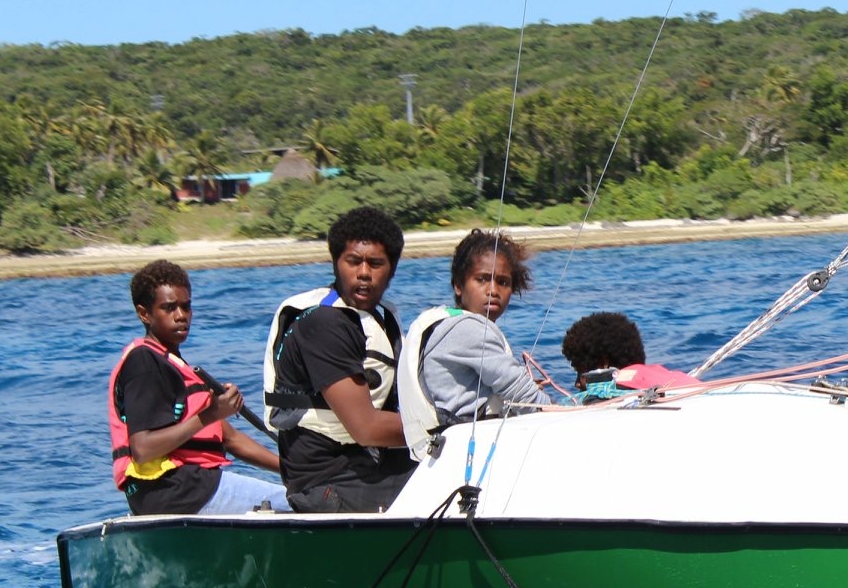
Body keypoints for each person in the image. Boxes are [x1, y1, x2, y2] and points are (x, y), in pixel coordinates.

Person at [263, 206, 416, 512]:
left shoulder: (381, 318)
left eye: (376, 263)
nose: (364, 272)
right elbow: (366, 428)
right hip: (326, 480)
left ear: (392, 270)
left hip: (369, 463)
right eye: (353, 261)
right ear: (336, 263)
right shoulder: (323, 323)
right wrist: (446, 428)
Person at [109, 259, 288, 516]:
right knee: (301, 503)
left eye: (186, 306)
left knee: (299, 492)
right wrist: (210, 414)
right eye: (169, 308)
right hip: (179, 490)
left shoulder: (174, 365)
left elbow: (232, 439)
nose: (181, 315)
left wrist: (293, 470)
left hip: (189, 488)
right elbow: (143, 449)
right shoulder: (144, 362)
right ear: (144, 314)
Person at [399, 230, 547, 461]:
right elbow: (523, 394)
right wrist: (561, 413)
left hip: (436, 453)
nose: (493, 291)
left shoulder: (443, 322)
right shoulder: (468, 329)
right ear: (458, 285)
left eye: (503, 282)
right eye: (482, 279)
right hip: (466, 457)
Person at [560, 311, 703, 402]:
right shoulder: (677, 378)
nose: (576, 384)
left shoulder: (612, 395)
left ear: (603, 364)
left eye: (580, 371)